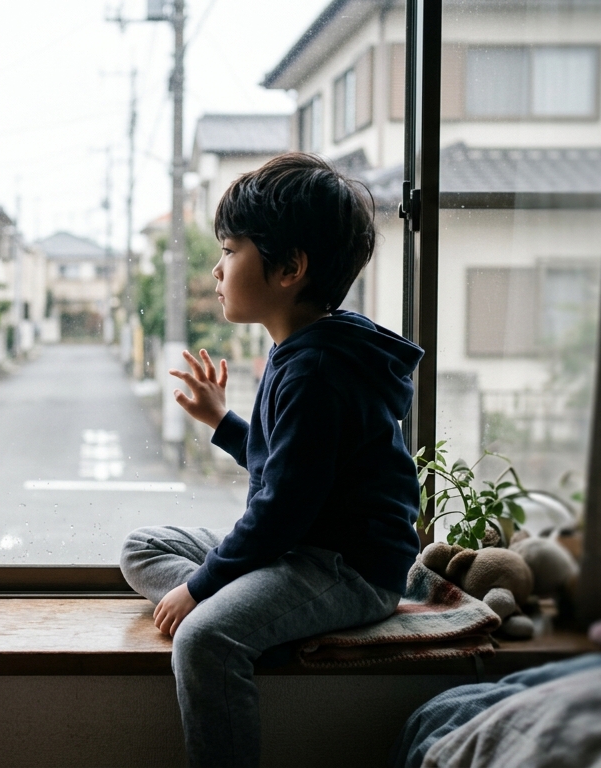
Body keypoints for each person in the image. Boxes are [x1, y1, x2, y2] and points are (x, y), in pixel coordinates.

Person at [120, 153, 424, 768]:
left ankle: (251, 625)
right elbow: (296, 469)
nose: (217, 267)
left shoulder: (315, 368)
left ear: (289, 268)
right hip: (300, 547)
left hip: (348, 567)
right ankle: (265, 620)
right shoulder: (305, 351)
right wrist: (223, 421)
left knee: (203, 638)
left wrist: (202, 590)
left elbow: (283, 507)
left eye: (230, 249)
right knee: (143, 548)